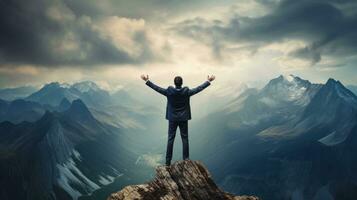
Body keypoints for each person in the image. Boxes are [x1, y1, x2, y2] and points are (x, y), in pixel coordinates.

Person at [141, 74, 215, 166]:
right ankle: (186, 159)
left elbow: (157, 89)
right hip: (184, 118)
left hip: (172, 118)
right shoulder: (186, 92)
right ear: (182, 83)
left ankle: (168, 162)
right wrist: (208, 81)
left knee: (170, 139)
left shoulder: (169, 92)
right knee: (185, 138)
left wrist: (147, 81)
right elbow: (198, 89)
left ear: (174, 83)